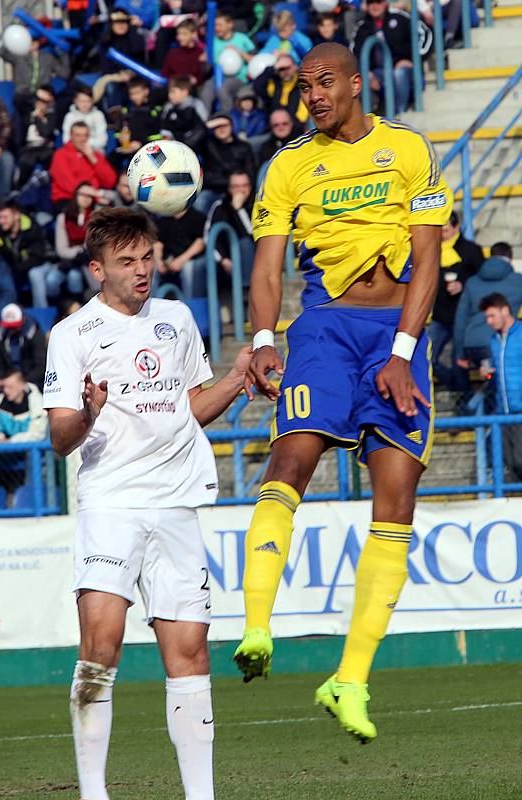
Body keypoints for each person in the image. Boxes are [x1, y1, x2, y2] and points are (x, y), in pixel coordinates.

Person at [233, 43, 452, 743]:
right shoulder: (290, 164)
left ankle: (349, 679)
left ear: (357, 83)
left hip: (397, 335)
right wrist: (265, 337)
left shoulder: (408, 150)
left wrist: (403, 353)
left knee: (398, 496)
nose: (314, 95)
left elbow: (427, 258)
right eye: (305, 86)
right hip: (324, 329)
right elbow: (267, 265)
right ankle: (257, 627)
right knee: (290, 460)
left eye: (325, 82)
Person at [43, 206, 252, 800]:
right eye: (126, 261)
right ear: (96, 270)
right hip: (111, 503)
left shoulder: (178, 318)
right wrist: (88, 411)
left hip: (177, 503)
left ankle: (202, 795)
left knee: (189, 652)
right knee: (101, 645)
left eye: (147, 258)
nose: (141, 271)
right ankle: (92, 792)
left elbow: (192, 408)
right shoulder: (72, 335)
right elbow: (60, 439)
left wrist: (236, 379)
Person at [429, 210, 483, 391]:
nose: (442, 235)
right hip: (439, 316)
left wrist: (463, 285)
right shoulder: (432, 251)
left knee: (459, 363)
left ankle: (464, 401)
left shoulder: (471, 251)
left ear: (456, 227)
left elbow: (480, 279)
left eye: (445, 230)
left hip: (463, 318)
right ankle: (458, 390)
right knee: (428, 358)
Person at [350, 0, 432, 114]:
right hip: (378, 72)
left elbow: (426, 34)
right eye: (371, 3)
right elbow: (353, 53)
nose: (375, 5)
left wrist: (415, 60)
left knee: (399, 74)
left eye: (378, 2)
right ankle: (367, 120)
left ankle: (398, 116)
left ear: (386, 3)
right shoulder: (362, 26)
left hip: (405, 70)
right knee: (359, 82)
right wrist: (366, 73)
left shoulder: (400, 17)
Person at [453, 242, 522, 375]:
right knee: (502, 385)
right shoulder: (518, 281)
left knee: (492, 383)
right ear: (510, 257)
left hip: (474, 344)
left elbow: (461, 319)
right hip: (503, 342)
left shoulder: (472, 282)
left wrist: (460, 353)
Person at [480, 293, 522, 482]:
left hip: (520, 410)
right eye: (487, 317)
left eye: (492, 316)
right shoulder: (494, 340)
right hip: (504, 412)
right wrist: (489, 372)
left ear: (505, 310)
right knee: (511, 464)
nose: (489, 321)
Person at [0, 369, 47, 490]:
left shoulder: (37, 402)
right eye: (4, 387)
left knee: (34, 453)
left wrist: (11, 441)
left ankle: (32, 495)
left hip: (27, 448)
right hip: (4, 449)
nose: (6, 391)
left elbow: (37, 435)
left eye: (10, 387)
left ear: (22, 386)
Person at [0, 200, 54, 308]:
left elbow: (38, 257)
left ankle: (41, 311)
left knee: (35, 274)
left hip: (43, 264)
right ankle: (5, 313)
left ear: (17, 215)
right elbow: (1, 256)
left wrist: (16, 268)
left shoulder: (32, 227)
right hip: (16, 268)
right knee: (0, 269)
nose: (1, 221)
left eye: (5, 217)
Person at [49, 121, 117, 212]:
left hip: (92, 200)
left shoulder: (95, 155)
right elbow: (66, 182)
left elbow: (110, 181)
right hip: (68, 198)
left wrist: (93, 159)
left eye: (85, 135)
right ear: (71, 136)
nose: (82, 139)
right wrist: (95, 195)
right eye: (78, 135)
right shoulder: (60, 155)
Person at [196, 113, 256, 214]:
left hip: (238, 188)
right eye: (217, 126)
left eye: (224, 125)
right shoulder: (208, 144)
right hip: (214, 190)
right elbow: (188, 144)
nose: (221, 129)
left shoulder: (244, 146)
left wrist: (240, 188)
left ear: (231, 126)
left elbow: (250, 173)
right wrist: (205, 126)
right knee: (200, 203)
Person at [205, 171, 255, 291]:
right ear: (229, 189)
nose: (241, 190)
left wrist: (238, 210)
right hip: (226, 262)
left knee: (245, 244)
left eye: (245, 185)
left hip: (254, 257)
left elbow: (252, 235)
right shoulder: (220, 206)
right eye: (236, 187)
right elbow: (209, 237)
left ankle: (246, 291)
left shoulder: (256, 204)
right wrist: (223, 259)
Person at [199, 11, 256, 112]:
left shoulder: (242, 38)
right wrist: (203, 61)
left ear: (230, 24)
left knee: (222, 89)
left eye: (220, 25)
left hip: (238, 78)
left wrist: (239, 52)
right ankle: (205, 121)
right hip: (218, 76)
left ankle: (228, 119)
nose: (217, 28)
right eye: (215, 25)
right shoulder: (212, 42)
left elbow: (255, 60)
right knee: (206, 92)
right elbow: (205, 69)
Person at [53, 183, 96, 299]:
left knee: (75, 276)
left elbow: (91, 245)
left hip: (88, 260)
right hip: (69, 261)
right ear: (75, 195)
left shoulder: (96, 216)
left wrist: (98, 193)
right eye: (83, 194)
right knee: (53, 280)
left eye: (90, 195)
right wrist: (78, 252)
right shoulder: (63, 217)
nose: (86, 198)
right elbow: (61, 249)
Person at [154, 206, 207, 298]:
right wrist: (159, 262)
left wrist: (181, 260)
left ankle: (190, 306)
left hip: (193, 259)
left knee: (188, 268)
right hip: (169, 260)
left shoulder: (197, 217)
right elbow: (158, 244)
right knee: (151, 268)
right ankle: (150, 307)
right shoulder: (164, 219)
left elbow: (200, 243)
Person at [0, 304, 47, 390]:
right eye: (9, 326)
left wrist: (23, 382)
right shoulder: (0, 336)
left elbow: (41, 366)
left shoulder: (35, 335)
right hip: (8, 381)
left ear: (23, 320)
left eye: (14, 326)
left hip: (31, 380)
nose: (11, 329)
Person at [17, 85, 58, 189]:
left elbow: (46, 133)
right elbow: (18, 99)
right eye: (38, 100)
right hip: (29, 148)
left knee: (51, 159)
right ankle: (19, 189)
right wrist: (35, 93)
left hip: (45, 148)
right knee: (26, 162)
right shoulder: (26, 114)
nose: (40, 104)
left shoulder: (51, 116)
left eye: (44, 102)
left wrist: (39, 118)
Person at [253, 53, 309, 129]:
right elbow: (257, 86)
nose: (285, 72)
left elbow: (302, 118)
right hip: (275, 127)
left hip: (296, 129)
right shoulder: (274, 84)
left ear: (295, 67)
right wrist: (273, 67)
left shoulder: (303, 85)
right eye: (281, 69)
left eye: (287, 68)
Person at [160, 76, 207, 151]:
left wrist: (186, 144)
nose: (169, 95)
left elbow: (203, 127)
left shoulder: (196, 105)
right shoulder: (169, 107)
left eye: (173, 92)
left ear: (185, 92)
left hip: (193, 148)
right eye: (169, 92)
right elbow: (164, 126)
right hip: (173, 148)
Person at [160, 18, 209, 87]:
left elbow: (202, 77)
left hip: (191, 90)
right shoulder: (173, 53)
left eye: (184, 34)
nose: (180, 37)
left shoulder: (200, 54)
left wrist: (196, 80)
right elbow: (165, 73)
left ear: (194, 34)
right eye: (178, 34)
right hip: (174, 88)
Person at [62, 86, 108, 153]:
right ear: (75, 101)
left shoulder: (98, 115)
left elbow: (102, 141)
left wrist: (82, 143)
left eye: (87, 101)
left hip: (95, 152)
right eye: (81, 101)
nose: (84, 104)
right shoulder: (69, 116)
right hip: (74, 153)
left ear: (92, 101)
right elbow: (66, 140)